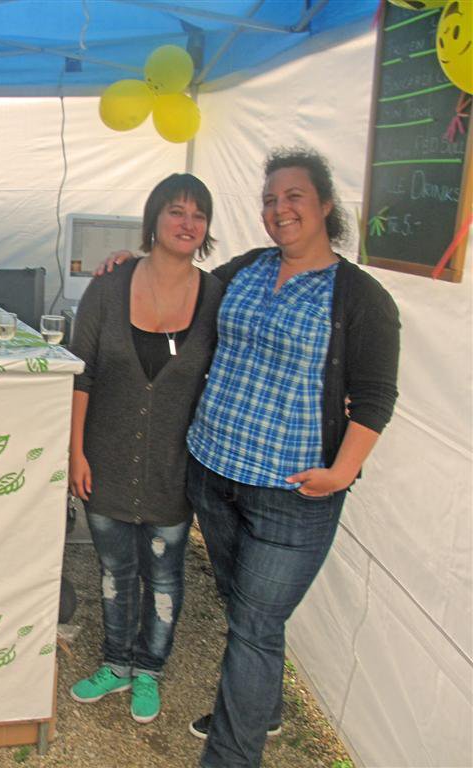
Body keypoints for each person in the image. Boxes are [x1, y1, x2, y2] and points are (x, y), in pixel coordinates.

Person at [182, 148, 400, 767]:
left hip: (292, 495)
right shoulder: (248, 267)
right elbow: (187, 287)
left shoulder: (360, 298)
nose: (280, 210)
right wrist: (128, 270)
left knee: (252, 627)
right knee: (244, 606)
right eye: (271, 199)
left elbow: (377, 396)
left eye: (294, 197)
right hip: (213, 470)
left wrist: (343, 471)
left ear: (325, 205)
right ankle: (266, 708)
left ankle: (232, 755)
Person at [67, 174, 222, 724]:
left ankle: (149, 669)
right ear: (154, 219)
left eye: (198, 216)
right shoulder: (109, 287)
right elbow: (79, 374)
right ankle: (116, 662)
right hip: (104, 457)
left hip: (174, 469)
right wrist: (75, 452)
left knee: (164, 576)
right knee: (114, 570)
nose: (187, 224)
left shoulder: (217, 295)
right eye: (176, 212)